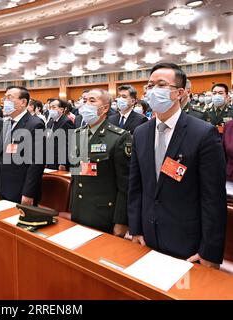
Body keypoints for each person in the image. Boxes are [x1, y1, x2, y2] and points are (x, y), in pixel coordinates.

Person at [128, 62, 226, 268]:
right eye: (150, 85)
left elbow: (213, 198)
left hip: (187, 244)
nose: (153, 91)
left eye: (161, 85)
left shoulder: (202, 133)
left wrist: (209, 251)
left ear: (180, 92)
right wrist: (135, 229)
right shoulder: (141, 133)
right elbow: (136, 187)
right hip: (147, 238)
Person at [69, 89, 132, 235]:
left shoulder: (119, 137)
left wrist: (121, 221)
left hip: (103, 213)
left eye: (92, 101)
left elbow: (125, 185)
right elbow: (75, 174)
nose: (86, 105)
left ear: (105, 108)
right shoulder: (78, 134)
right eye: (85, 101)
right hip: (79, 208)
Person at [0, 86, 45, 205]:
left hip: (20, 188)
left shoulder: (36, 124)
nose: (4, 101)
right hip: (2, 185)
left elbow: (37, 162)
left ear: (23, 102)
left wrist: (28, 193)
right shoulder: (6, 122)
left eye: (10, 98)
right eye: (4, 98)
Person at [45, 99, 74, 171]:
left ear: (61, 109)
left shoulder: (66, 122)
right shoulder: (51, 121)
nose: (51, 109)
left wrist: (63, 163)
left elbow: (68, 144)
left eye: (54, 107)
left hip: (58, 161)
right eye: (50, 107)